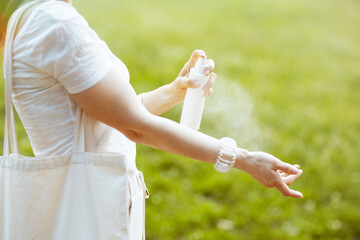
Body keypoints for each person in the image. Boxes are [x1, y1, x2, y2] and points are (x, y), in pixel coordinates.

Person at [1, 0, 303, 237]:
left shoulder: (31, 19)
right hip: (90, 208)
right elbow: (134, 126)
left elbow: (112, 117)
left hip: (83, 203)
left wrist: (175, 91)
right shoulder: (54, 23)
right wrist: (244, 159)